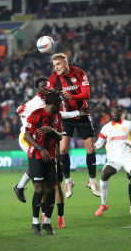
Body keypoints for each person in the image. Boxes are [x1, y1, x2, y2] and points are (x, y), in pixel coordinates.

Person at [13, 76, 90, 229]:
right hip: (28, 137)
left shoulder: (50, 102)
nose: (46, 88)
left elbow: (60, 114)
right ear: (37, 88)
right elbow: (22, 114)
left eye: (47, 86)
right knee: (38, 161)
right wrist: (23, 115)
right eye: (43, 86)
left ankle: (21, 188)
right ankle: (20, 187)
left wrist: (77, 113)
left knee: (43, 164)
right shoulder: (33, 104)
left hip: (43, 138)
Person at [47, 53, 98, 198]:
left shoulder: (80, 73)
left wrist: (72, 96)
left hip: (82, 114)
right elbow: (48, 96)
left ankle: (92, 181)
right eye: (54, 65)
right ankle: (68, 181)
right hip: (66, 117)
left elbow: (86, 93)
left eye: (59, 64)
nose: (56, 67)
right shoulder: (53, 78)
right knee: (62, 149)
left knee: (91, 148)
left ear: (66, 63)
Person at [24, 90, 63, 236]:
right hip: (36, 156)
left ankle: (46, 222)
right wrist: (41, 148)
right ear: (54, 103)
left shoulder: (58, 116)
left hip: (51, 156)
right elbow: (27, 135)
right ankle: (35, 223)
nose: (61, 105)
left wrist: (52, 131)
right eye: (60, 102)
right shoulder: (36, 114)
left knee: (51, 189)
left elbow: (60, 136)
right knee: (39, 189)